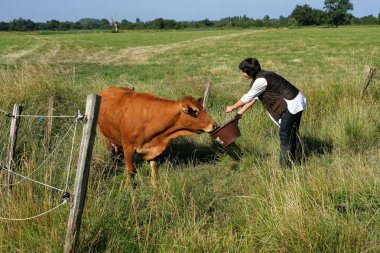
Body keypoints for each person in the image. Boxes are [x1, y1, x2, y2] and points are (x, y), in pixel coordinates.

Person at [226, 58, 306, 167]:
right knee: (292, 133)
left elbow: (247, 98)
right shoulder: (265, 75)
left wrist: (232, 107)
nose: (242, 74)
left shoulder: (260, 81)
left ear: (250, 72)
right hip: (296, 100)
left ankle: (284, 168)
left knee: (285, 135)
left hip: (292, 104)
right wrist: (240, 112)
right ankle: (295, 161)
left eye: (243, 71)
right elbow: (255, 98)